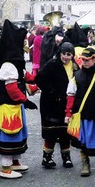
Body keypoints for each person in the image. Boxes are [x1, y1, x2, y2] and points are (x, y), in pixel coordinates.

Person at [0, 20, 37, 179]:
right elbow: (11, 88)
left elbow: (25, 77)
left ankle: (15, 162)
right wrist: (25, 100)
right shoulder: (8, 65)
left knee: (18, 133)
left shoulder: (15, 63)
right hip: (7, 105)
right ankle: (6, 167)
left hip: (15, 106)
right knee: (9, 134)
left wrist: (40, 78)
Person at [65, 47, 95, 177]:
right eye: (83, 60)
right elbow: (71, 95)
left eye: (87, 60)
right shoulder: (76, 76)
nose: (85, 62)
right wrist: (68, 113)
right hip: (81, 115)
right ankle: (85, 163)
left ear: (94, 59)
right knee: (83, 142)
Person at [33, 41, 78, 169]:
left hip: (66, 104)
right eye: (64, 54)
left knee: (65, 132)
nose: (66, 57)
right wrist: (51, 91)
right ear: (59, 53)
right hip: (51, 104)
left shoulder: (75, 67)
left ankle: (66, 157)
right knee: (51, 132)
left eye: (69, 54)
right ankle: (47, 157)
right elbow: (39, 79)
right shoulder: (51, 65)